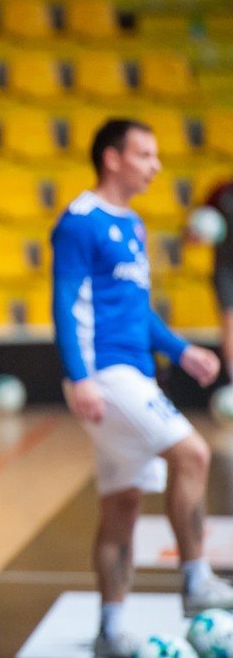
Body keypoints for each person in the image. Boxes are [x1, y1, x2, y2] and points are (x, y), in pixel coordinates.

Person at [51, 119, 233, 657]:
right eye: (145, 155)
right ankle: (196, 579)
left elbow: (137, 310)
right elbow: (64, 302)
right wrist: (79, 375)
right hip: (106, 373)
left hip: (133, 369)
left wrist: (180, 350)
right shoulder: (80, 221)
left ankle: (110, 629)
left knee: (122, 507)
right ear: (113, 158)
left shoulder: (131, 224)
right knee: (194, 453)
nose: (155, 166)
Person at [199, 179, 233, 380]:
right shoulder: (221, 192)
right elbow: (192, 229)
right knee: (230, 324)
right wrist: (197, 233)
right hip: (226, 270)